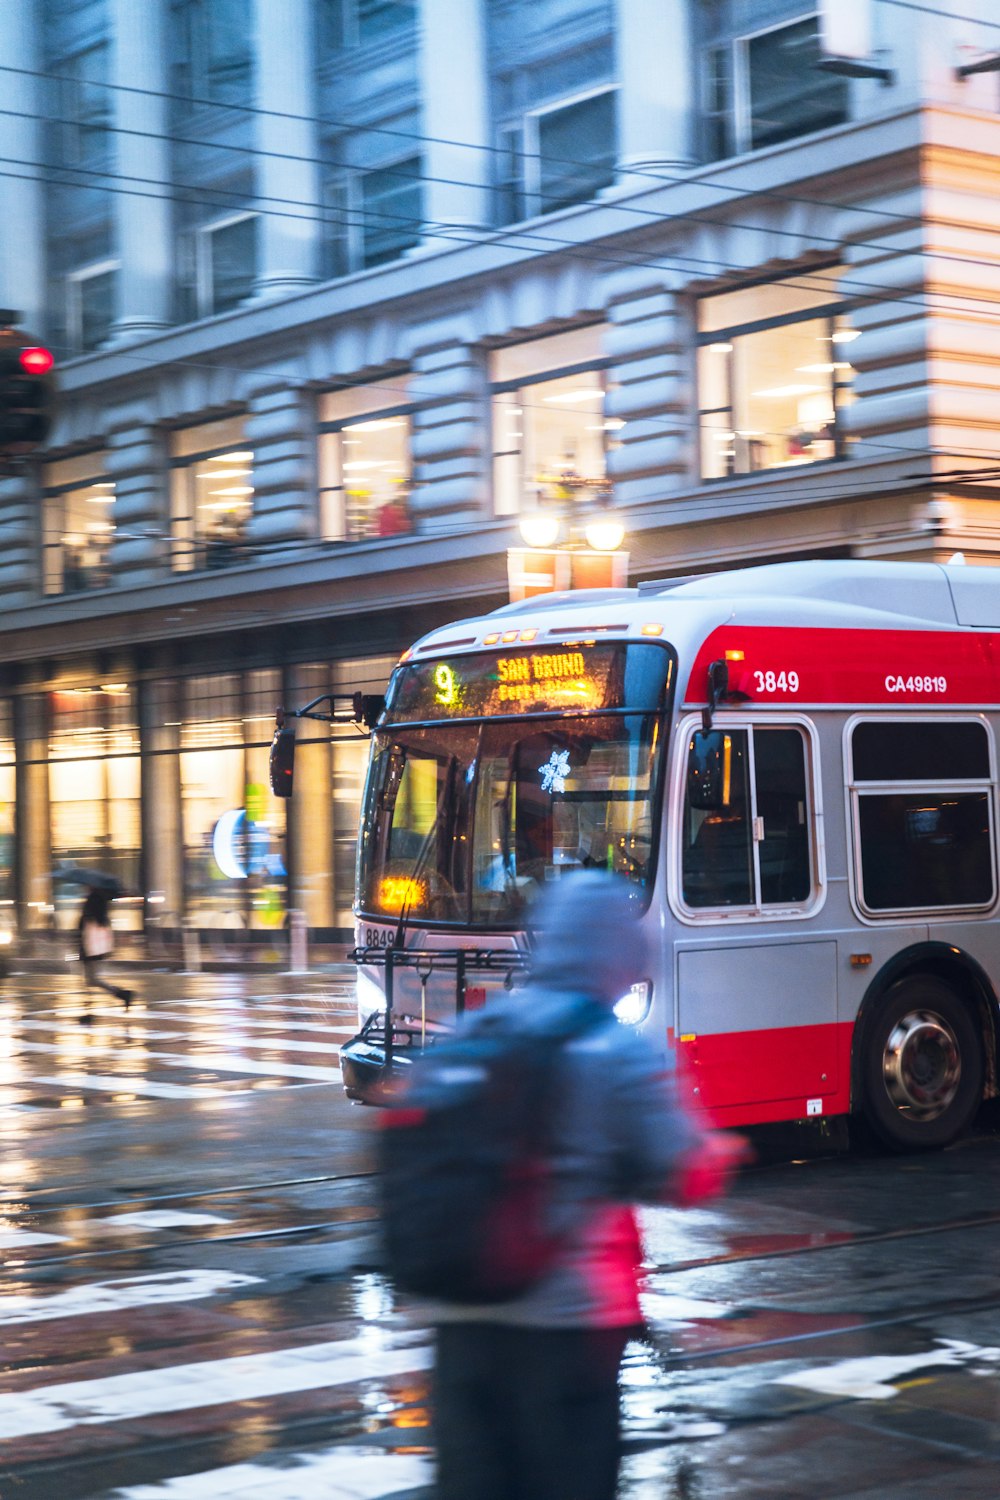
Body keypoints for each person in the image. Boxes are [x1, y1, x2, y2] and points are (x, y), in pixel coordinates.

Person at [427, 871, 748, 1500]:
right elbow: (683, 1171)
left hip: (460, 1324)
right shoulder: (613, 1049)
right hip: (567, 1333)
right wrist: (718, 1148)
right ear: (615, 954)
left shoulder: (477, 1032)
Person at [78, 884, 133, 1017]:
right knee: (90, 979)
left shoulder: (91, 910)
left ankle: (123, 994)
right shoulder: (100, 913)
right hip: (95, 949)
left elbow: (85, 931)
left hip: (91, 949)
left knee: (92, 979)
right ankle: (89, 1006)